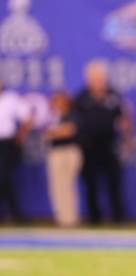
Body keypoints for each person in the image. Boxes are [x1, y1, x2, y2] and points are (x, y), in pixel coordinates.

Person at [73, 61, 132, 224]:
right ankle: (94, 218)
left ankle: (118, 217)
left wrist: (128, 139)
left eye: (100, 78)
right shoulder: (81, 97)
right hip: (88, 145)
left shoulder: (114, 96)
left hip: (109, 144)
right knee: (90, 183)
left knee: (114, 182)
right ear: (88, 79)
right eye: (94, 78)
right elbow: (74, 122)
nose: (97, 81)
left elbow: (125, 118)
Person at [44, 91, 82, 227]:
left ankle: (70, 219)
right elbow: (47, 133)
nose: (55, 103)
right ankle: (61, 217)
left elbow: (70, 130)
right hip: (55, 152)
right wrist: (54, 132)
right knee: (57, 187)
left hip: (67, 152)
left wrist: (53, 133)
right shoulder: (55, 116)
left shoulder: (71, 114)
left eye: (58, 100)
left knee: (66, 185)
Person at [0, 81, 31, 222]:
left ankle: (15, 212)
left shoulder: (11, 98)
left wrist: (21, 134)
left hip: (6, 144)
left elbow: (27, 115)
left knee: (3, 177)